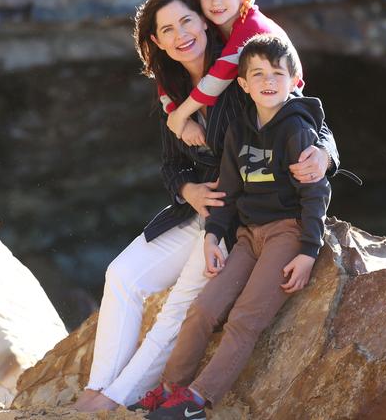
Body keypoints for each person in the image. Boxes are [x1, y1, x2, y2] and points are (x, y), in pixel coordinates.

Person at [73, 0, 338, 412]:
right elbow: (170, 164)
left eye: (187, 21)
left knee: (185, 303)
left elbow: (306, 113)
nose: (182, 35)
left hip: (240, 217)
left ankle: (114, 402)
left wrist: (324, 155)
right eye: (168, 30)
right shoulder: (172, 87)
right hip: (196, 211)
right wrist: (186, 188)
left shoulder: (241, 71)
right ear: (156, 41)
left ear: (204, 21)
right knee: (122, 275)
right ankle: (97, 386)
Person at [138, 33, 331, 420]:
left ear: (294, 80)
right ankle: (170, 387)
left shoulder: (297, 130)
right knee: (204, 308)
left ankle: (197, 400)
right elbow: (227, 188)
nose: (268, 81)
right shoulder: (238, 130)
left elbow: (316, 192)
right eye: (257, 74)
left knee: (246, 317)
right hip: (247, 236)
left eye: (277, 73)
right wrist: (212, 235)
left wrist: (308, 250)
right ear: (242, 84)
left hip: (287, 233)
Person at [160, 0, 304, 148]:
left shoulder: (253, 28)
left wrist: (180, 115)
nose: (215, 2)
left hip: (286, 113)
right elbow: (164, 71)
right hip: (251, 124)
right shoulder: (214, 29)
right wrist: (175, 116)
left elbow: (218, 78)